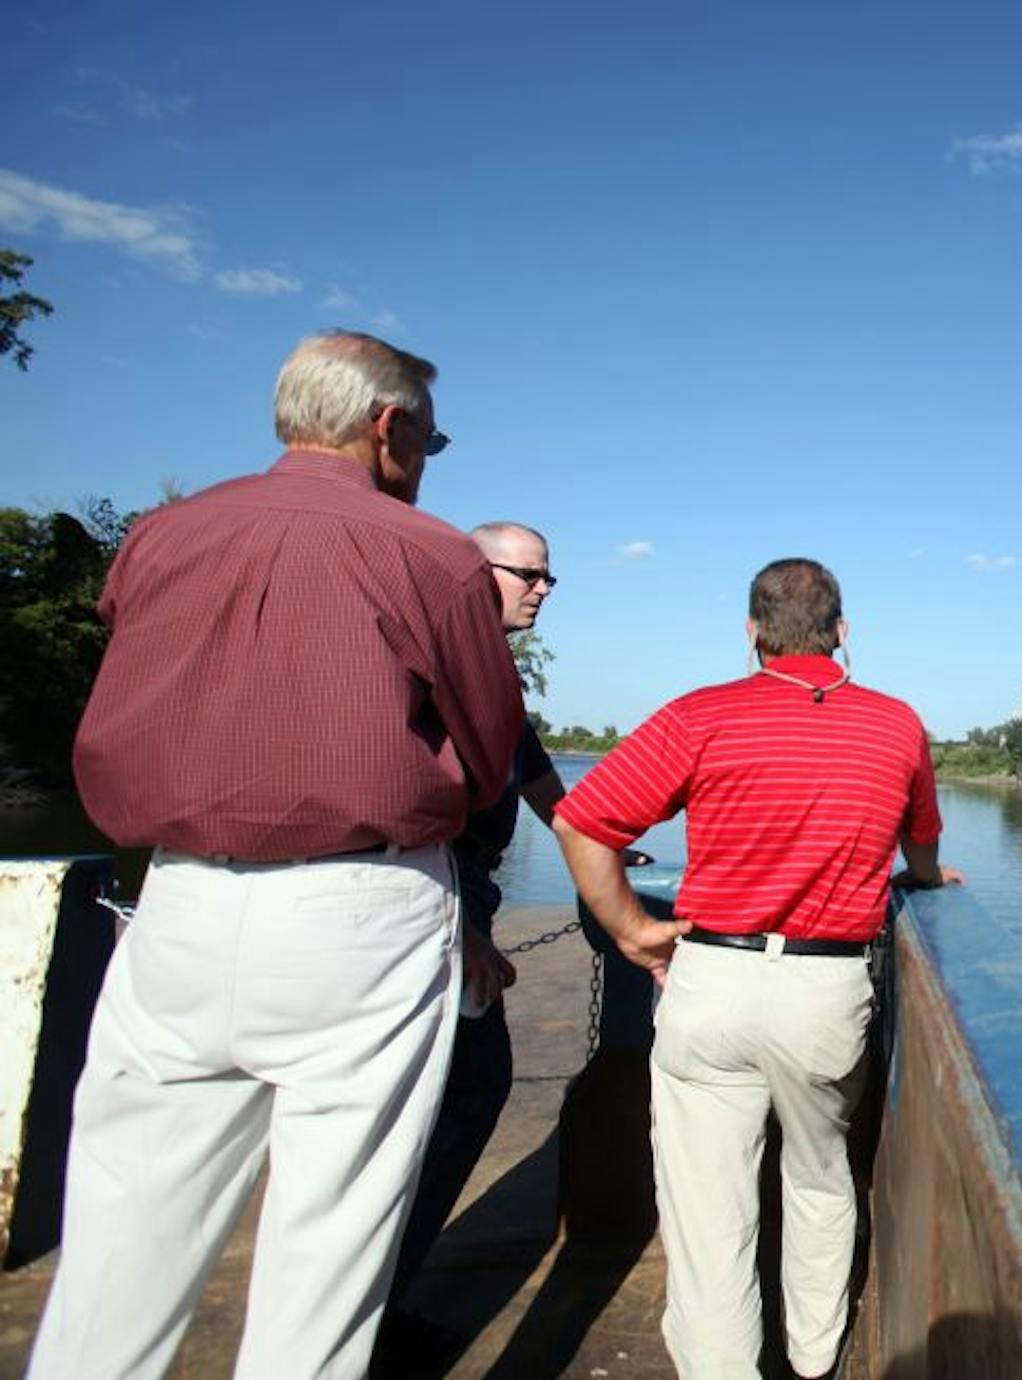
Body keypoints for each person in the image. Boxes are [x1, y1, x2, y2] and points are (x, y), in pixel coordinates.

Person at [32, 331, 526, 1380]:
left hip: (176, 903)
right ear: (387, 426)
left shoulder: (161, 536)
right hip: (362, 910)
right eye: (430, 441)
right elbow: (488, 756)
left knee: (120, 1235)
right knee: (327, 1259)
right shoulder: (432, 554)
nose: (428, 461)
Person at [554, 557, 958, 1380]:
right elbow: (920, 846)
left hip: (712, 980)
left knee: (708, 1211)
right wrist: (920, 879)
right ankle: (814, 1361)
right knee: (818, 1177)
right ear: (843, 635)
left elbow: (581, 820)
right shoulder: (896, 723)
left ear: (751, 634)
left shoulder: (703, 714)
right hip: (827, 986)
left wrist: (632, 930)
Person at [371, 520, 604, 1366]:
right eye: (530, 574)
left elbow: (538, 774)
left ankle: (369, 1302)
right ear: (476, 572)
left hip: (457, 893)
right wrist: (460, 924)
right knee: (465, 1089)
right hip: (434, 894)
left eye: (551, 577)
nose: (544, 588)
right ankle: (368, 1311)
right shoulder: (431, 654)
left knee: (456, 1094)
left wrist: (602, 844)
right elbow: (397, 799)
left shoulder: (488, 669)